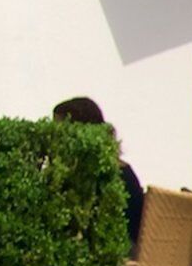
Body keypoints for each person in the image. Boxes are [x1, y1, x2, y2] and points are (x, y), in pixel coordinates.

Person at [51, 98, 147, 240]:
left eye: (60, 130)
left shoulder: (97, 176)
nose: (54, 138)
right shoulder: (122, 169)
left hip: (118, 253)